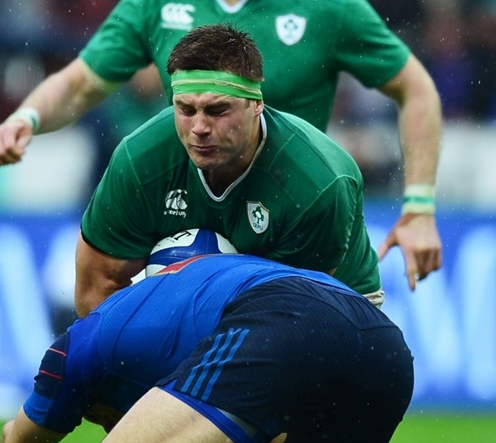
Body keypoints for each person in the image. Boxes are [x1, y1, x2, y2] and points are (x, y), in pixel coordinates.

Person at [0, 0, 443, 293]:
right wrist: (27, 117)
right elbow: (81, 83)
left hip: (294, 223)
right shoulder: (153, 6)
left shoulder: (329, 8)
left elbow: (416, 89)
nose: (202, 124)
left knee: (292, 416)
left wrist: (419, 205)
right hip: (186, 223)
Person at [0, 252, 414, 443]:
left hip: (286, 314)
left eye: (99, 417)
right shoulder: (198, 297)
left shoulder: (86, 341)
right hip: (386, 350)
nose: (107, 425)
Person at [73, 24, 381, 317]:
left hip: (340, 310)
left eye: (217, 110)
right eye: (185, 109)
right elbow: (95, 291)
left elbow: (296, 322)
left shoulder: (317, 182)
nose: (199, 128)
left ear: (256, 103)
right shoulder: (139, 160)